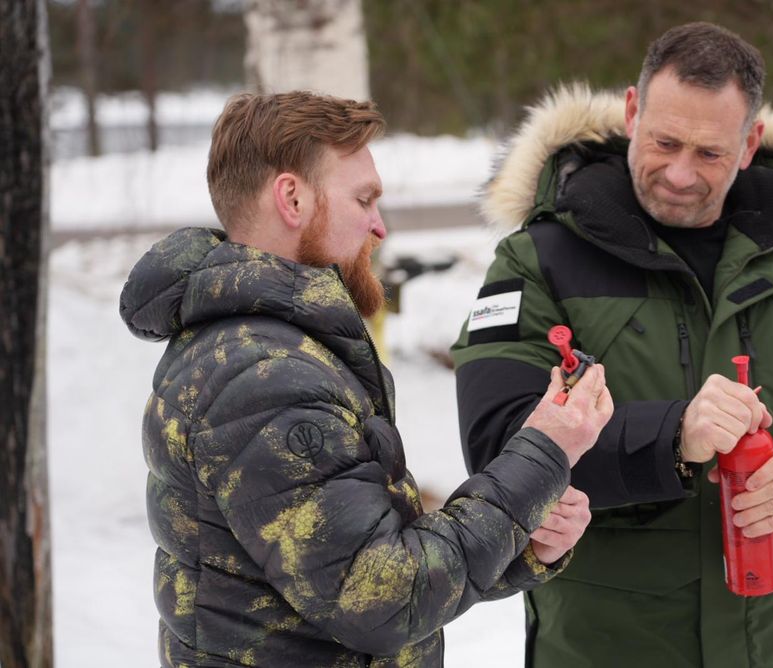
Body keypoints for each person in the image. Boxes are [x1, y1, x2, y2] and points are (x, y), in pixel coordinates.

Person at [451, 21, 773, 667]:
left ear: (750, 142)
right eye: (664, 142)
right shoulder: (538, 259)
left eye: (710, 153)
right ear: (633, 111)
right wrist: (670, 437)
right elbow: (500, 441)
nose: (679, 174)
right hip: (608, 644)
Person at [118, 91, 614, 667]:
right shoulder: (264, 378)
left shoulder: (269, 344)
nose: (378, 227)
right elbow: (383, 597)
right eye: (363, 199)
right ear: (293, 197)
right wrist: (542, 452)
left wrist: (523, 539)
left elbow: (352, 556)